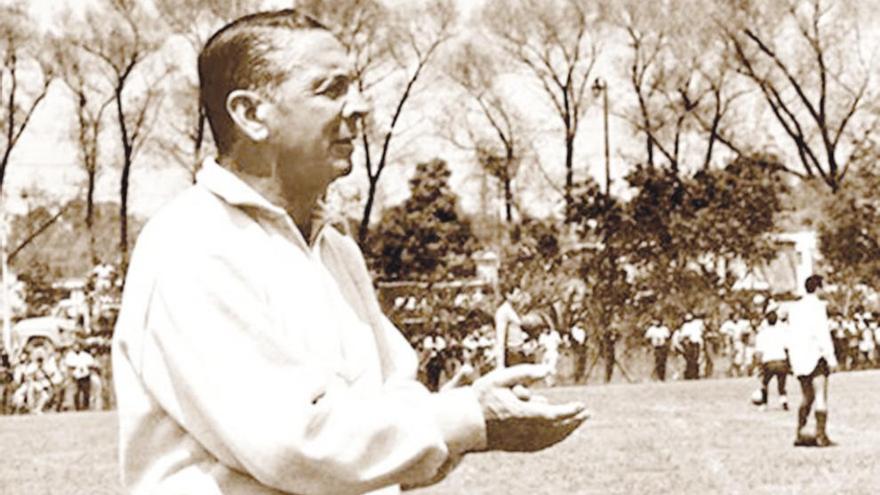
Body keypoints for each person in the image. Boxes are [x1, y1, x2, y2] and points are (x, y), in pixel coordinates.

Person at [112, 10, 587, 494]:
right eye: (330, 89)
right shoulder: (194, 245)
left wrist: (447, 415)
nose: (358, 106)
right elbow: (294, 445)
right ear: (252, 115)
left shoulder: (334, 248)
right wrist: (464, 419)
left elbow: (388, 399)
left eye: (355, 87)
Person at [787, 275, 838, 447]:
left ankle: (800, 431)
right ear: (817, 288)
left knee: (806, 396)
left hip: (799, 357)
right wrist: (831, 357)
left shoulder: (794, 308)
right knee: (820, 396)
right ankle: (821, 435)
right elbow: (822, 333)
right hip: (816, 356)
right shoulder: (818, 307)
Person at [753, 305, 789, 411]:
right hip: (781, 360)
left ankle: (764, 404)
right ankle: (784, 401)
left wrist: (758, 366)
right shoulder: (782, 332)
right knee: (781, 383)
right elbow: (787, 347)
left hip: (769, 362)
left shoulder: (762, 334)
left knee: (764, 382)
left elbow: (759, 352)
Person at [494, 285, 527, 368]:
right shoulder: (503, 312)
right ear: (508, 295)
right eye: (517, 294)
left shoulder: (514, 310)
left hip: (520, 351)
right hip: (513, 354)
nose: (520, 297)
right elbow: (500, 338)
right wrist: (500, 364)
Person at [65, 342, 98, 411]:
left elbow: (91, 364)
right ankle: (77, 407)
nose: (76, 348)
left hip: (85, 375)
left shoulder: (85, 355)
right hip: (75, 375)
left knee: (86, 391)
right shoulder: (70, 356)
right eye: (75, 347)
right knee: (76, 392)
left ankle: (86, 406)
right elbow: (69, 365)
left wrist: (85, 368)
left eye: (77, 347)